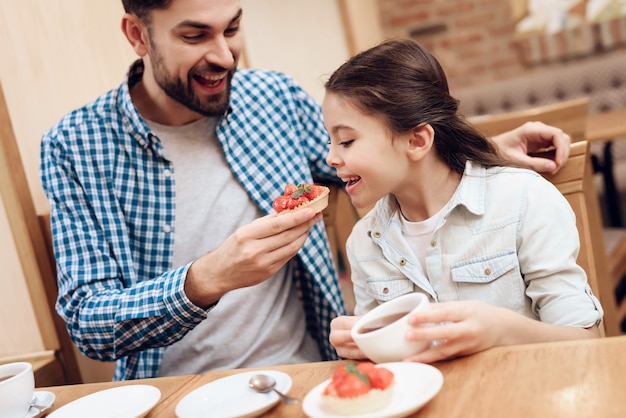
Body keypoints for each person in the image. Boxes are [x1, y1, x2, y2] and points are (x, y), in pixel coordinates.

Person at [40, 0, 573, 381]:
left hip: (304, 377)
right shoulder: (74, 146)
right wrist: (206, 279)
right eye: (194, 35)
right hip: (173, 393)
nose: (225, 56)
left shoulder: (271, 96)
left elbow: (380, 154)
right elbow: (88, 322)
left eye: (233, 28)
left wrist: (484, 147)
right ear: (137, 34)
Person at [324, 39, 603, 364]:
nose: (330, 157)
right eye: (330, 140)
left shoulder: (523, 200)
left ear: (416, 141)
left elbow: (588, 343)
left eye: (346, 141)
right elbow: (389, 372)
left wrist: (501, 330)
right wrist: (361, 348)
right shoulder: (364, 243)